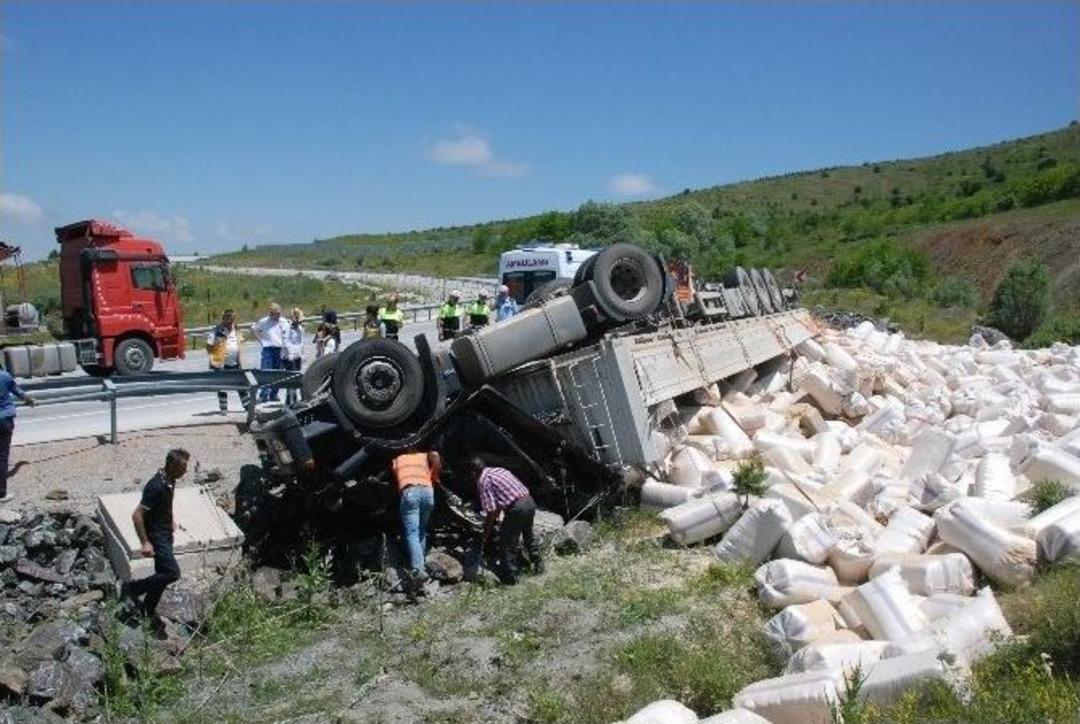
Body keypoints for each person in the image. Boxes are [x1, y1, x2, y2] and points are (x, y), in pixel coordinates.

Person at [121, 448, 189, 628]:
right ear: (170, 465)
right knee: (172, 573)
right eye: (182, 467)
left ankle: (148, 609)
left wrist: (170, 519)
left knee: (162, 575)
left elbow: (165, 505)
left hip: (165, 533)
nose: (185, 471)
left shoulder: (170, 481)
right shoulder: (155, 486)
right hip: (157, 537)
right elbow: (137, 515)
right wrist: (145, 542)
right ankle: (133, 588)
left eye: (185, 467)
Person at [468, 457, 542, 584]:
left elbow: (490, 510)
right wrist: (497, 516)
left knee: (507, 542)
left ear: (473, 473)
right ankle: (538, 564)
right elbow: (501, 499)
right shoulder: (498, 470)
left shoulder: (483, 481)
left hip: (517, 508)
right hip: (529, 501)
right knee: (528, 534)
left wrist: (486, 532)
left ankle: (510, 577)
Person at [392, 450, 441, 595]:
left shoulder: (397, 458)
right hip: (428, 492)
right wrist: (434, 474)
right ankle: (421, 567)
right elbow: (436, 455)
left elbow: (395, 474)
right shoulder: (423, 456)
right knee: (421, 530)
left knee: (411, 533)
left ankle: (418, 571)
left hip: (411, 491)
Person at [205, 309, 250, 413]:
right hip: (220, 363)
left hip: (235, 362)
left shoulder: (237, 329)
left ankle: (247, 405)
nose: (230, 321)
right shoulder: (216, 330)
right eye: (227, 318)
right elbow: (208, 346)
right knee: (222, 386)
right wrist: (216, 355)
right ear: (224, 319)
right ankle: (223, 408)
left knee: (241, 384)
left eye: (232, 319)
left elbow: (240, 344)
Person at [0, 367, 34, 503]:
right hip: (4, 420)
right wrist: (29, 400)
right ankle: (1, 493)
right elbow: (19, 392)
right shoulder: (5, 376)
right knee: (2, 457)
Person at [251, 303, 289, 401]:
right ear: (270, 314)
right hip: (268, 349)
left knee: (278, 372)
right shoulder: (264, 321)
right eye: (275, 314)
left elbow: (287, 336)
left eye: (279, 313)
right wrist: (261, 340)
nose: (278, 316)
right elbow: (254, 329)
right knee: (266, 372)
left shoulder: (284, 322)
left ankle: (274, 394)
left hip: (280, 349)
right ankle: (263, 395)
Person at [283, 308, 305, 405]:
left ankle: (294, 399)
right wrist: (290, 354)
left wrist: (302, 354)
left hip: (297, 355)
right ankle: (289, 399)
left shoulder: (300, 328)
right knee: (290, 378)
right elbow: (286, 341)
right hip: (289, 356)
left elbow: (301, 341)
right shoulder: (288, 327)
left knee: (296, 377)